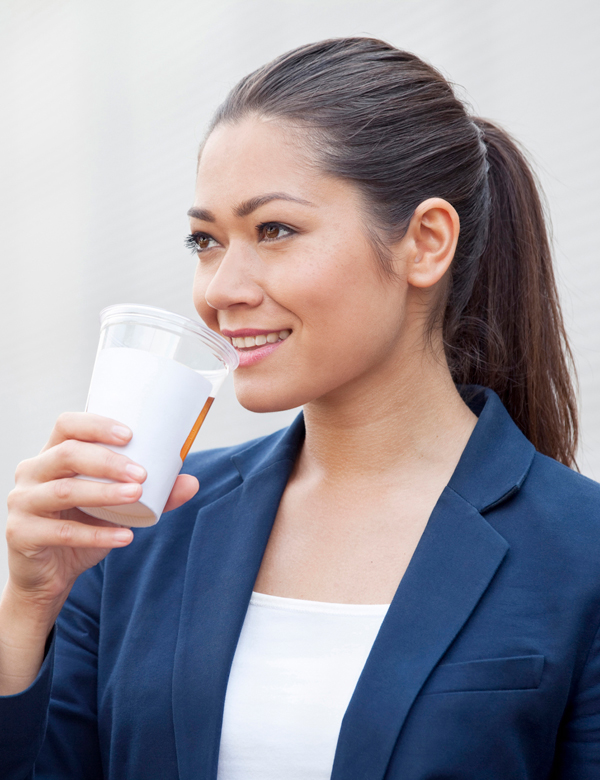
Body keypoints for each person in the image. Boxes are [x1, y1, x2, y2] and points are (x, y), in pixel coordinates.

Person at [0, 36, 598, 780]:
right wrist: (29, 608)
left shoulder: (581, 551)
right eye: (206, 240)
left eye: (274, 231)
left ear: (425, 242)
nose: (221, 289)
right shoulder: (139, 533)